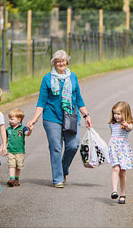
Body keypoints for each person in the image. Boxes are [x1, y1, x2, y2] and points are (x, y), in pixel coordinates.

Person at [26, 49, 93, 187]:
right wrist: (34, 119)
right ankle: (58, 179)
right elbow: (41, 102)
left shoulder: (73, 77)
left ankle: (63, 168)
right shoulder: (47, 79)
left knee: (73, 146)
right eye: (58, 61)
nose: (61, 63)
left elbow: (79, 99)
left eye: (63, 61)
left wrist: (86, 115)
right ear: (54, 63)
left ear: (67, 62)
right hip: (52, 118)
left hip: (71, 117)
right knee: (56, 148)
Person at [108, 101, 133, 204]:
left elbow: (130, 128)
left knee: (122, 171)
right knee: (115, 168)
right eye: (114, 113)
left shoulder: (128, 124)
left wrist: (126, 125)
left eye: (118, 114)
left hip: (123, 149)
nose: (116, 116)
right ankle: (114, 191)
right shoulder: (112, 124)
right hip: (114, 148)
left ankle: (122, 194)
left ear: (125, 113)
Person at [5, 107, 32, 187]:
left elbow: (27, 134)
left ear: (19, 120)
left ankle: (16, 179)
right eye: (9, 119)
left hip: (20, 151)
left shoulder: (22, 128)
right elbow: (5, 139)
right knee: (11, 165)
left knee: (18, 166)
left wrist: (30, 130)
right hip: (11, 150)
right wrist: (3, 147)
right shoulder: (8, 129)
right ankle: (11, 179)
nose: (10, 121)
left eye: (12, 119)